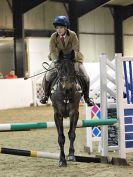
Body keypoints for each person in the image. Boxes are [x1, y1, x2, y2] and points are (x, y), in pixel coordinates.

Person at [40, 15, 94, 106]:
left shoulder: (73, 35)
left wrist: (70, 58)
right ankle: (46, 95)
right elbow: (52, 51)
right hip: (58, 59)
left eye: (61, 27)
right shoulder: (53, 36)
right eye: (57, 28)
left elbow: (76, 49)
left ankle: (87, 98)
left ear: (65, 27)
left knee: (85, 76)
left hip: (73, 59)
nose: (59, 30)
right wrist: (56, 60)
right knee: (47, 75)